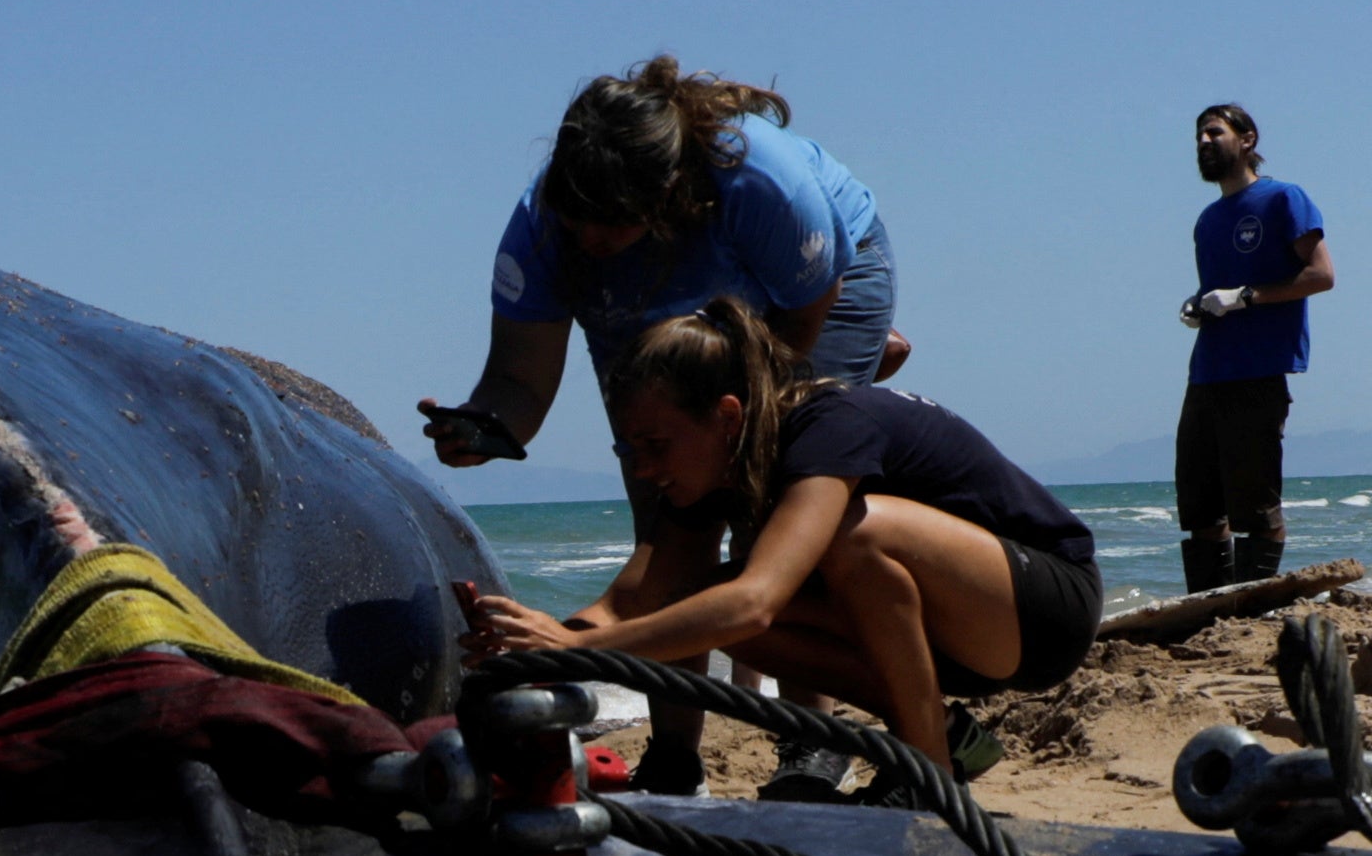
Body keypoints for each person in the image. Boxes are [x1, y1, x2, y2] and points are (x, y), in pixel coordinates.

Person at [424, 57, 900, 791]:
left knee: (771, 504)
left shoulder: (762, 183)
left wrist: (750, 428)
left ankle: (813, 742)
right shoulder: (548, 231)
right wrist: (481, 426)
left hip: (810, 296)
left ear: (668, 196)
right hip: (655, 314)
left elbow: (805, 312)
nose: (585, 236)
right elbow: (519, 381)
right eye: (573, 219)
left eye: (607, 225)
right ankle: (675, 753)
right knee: (670, 515)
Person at [455, 300, 1098, 783]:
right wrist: (533, 639)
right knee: (693, 604)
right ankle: (947, 735)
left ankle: (924, 775)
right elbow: (640, 600)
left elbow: (758, 601)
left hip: (1042, 610)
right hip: (952, 638)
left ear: (727, 417)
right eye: (631, 449)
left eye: (657, 446)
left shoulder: (826, 425)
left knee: (855, 535)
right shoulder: (714, 466)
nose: (645, 469)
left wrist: (581, 650)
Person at [1171, 104, 1333, 590]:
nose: (1203, 141)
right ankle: (1207, 607)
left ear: (1246, 139)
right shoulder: (1207, 220)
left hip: (1257, 372)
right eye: (1198, 135)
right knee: (1200, 505)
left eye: (1213, 132)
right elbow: (1217, 290)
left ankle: (1251, 606)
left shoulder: (1284, 198)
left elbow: (1321, 275)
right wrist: (1199, 306)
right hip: (1206, 374)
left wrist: (1246, 297)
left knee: (1256, 506)